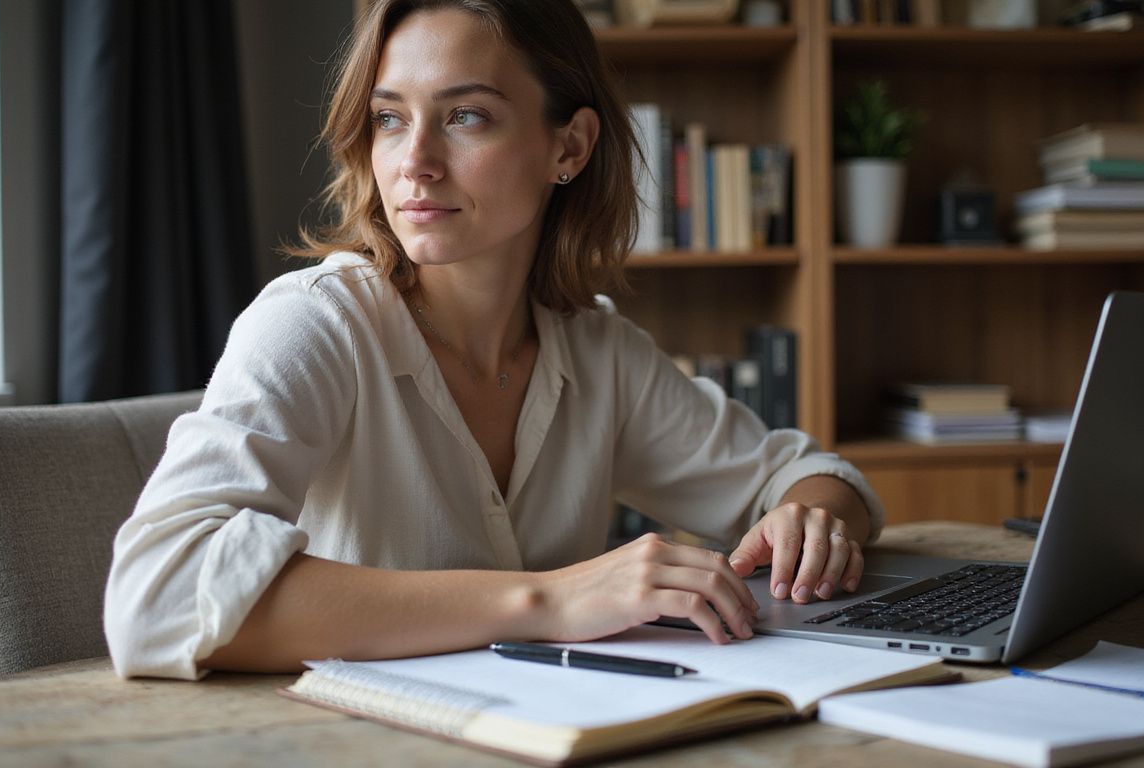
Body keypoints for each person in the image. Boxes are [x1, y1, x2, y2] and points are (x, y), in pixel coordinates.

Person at [104, 0, 885, 680]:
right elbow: (156, 597)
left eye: (465, 115)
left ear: (569, 149)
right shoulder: (316, 322)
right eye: (389, 118)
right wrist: (549, 600)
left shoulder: (596, 351)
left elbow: (808, 473)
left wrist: (811, 522)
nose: (415, 163)